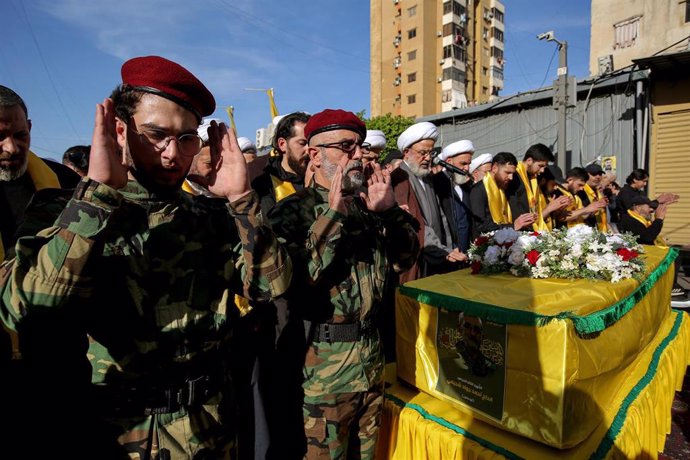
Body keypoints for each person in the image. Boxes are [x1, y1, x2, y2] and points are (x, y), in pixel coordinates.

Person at [0, 55, 291, 458]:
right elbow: (28, 306)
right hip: (120, 435)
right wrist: (98, 199)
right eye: (156, 135)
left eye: (187, 138)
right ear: (119, 130)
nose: (172, 155)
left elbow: (270, 286)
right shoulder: (61, 210)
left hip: (211, 428)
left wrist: (242, 200)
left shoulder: (211, 216)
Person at [267, 109, 420, 459]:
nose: (356, 156)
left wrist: (391, 213)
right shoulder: (292, 212)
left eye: (359, 147)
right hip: (322, 372)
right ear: (314, 154)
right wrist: (332, 216)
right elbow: (290, 282)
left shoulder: (369, 206)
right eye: (344, 147)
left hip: (370, 359)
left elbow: (405, 260)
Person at [398, 122, 463, 275]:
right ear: (406, 152)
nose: (428, 158)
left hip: (436, 254)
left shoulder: (426, 177)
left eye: (431, 153)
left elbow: (441, 217)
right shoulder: (400, 178)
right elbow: (416, 221)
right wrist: (440, 249)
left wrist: (447, 247)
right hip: (417, 257)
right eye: (422, 153)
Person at [251, 112, 311, 213]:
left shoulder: (323, 176)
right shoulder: (264, 186)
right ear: (282, 144)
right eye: (303, 143)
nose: (309, 149)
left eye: (312, 143)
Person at [469, 152, 537, 237]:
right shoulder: (478, 190)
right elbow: (480, 225)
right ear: (494, 168)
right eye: (507, 172)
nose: (511, 177)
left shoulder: (503, 189)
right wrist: (513, 226)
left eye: (512, 173)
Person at [508, 144, 569, 231]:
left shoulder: (532, 178)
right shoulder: (514, 176)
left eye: (544, 167)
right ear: (529, 160)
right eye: (540, 166)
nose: (542, 170)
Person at [433, 139, 474, 256]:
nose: (467, 168)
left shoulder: (466, 185)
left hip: (467, 250)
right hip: (447, 251)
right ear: (449, 161)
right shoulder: (436, 183)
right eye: (463, 164)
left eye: (469, 164)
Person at [577, 163, 610, 231]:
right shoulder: (580, 191)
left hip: (601, 232)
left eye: (600, 174)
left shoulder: (598, 192)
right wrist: (596, 206)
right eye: (594, 174)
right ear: (586, 175)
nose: (598, 177)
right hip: (586, 233)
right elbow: (582, 216)